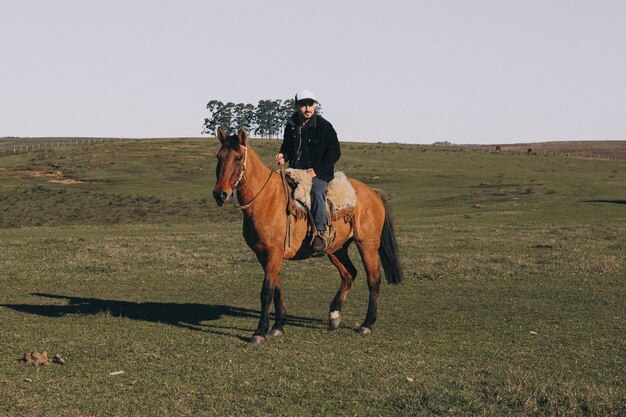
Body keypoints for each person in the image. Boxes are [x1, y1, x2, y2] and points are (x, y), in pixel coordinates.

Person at [275, 89, 341, 253]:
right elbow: (288, 147)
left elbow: (335, 152)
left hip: (318, 173)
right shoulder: (291, 125)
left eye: (310, 105)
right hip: (295, 171)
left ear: (314, 105)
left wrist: (317, 170)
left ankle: (319, 233)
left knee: (317, 192)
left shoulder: (324, 126)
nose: (307, 109)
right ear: (297, 106)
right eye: (303, 105)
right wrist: (283, 154)